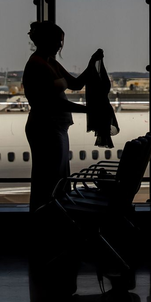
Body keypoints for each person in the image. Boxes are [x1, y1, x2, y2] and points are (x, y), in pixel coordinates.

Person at [23, 21, 103, 212]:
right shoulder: (38, 65)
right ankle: (48, 218)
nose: (60, 45)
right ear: (46, 41)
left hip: (54, 127)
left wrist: (91, 64)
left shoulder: (48, 62)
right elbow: (53, 103)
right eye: (57, 41)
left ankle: (50, 218)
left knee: (52, 177)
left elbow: (75, 84)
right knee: (51, 179)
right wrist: (89, 110)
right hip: (46, 127)